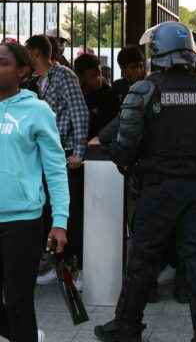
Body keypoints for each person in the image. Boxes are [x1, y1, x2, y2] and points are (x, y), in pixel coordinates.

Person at [93, 22, 196, 342]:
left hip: (157, 187)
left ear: (157, 52)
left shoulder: (145, 90)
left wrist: (124, 163)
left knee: (142, 260)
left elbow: (126, 146)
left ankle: (127, 326)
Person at [0, 42, 69, 342]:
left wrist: (60, 221)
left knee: (18, 301)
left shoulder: (37, 111)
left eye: (2, 62)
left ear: (23, 71)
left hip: (21, 222)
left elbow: (55, 170)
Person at [26, 35, 88, 280]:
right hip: (38, 155)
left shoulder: (63, 76)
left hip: (62, 154)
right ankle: (53, 260)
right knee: (45, 209)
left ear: (36, 53)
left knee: (66, 212)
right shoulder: (33, 81)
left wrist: (78, 152)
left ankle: (72, 263)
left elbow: (79, 112)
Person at [73, 53, 121, 139]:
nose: (99, 78)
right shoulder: (74, 96)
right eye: (93, 76)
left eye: (100, 73)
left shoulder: (110, 95)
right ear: (81, 77)